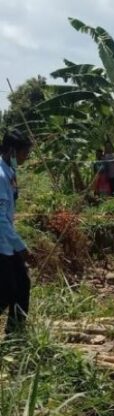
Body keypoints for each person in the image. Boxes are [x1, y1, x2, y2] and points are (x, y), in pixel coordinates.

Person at [0, 129, 32, 335]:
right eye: (23, 153)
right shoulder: (0, 175)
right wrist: (22, 247)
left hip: (6, 242)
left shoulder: (9, 172)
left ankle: (15, 335)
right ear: (12, 151)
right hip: (3, 244)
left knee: (21, 285)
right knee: (7, 292)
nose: (25, 157)